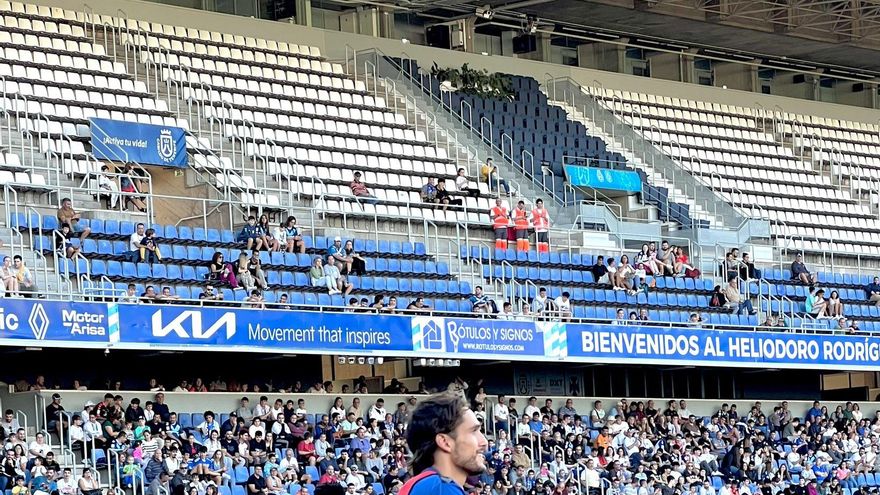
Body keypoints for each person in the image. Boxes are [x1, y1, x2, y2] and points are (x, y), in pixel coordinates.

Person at [401, 392, 487, 495]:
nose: (484, 442)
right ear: (445, 442)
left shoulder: (425, 485)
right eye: (473, 431)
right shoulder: (442, 489)